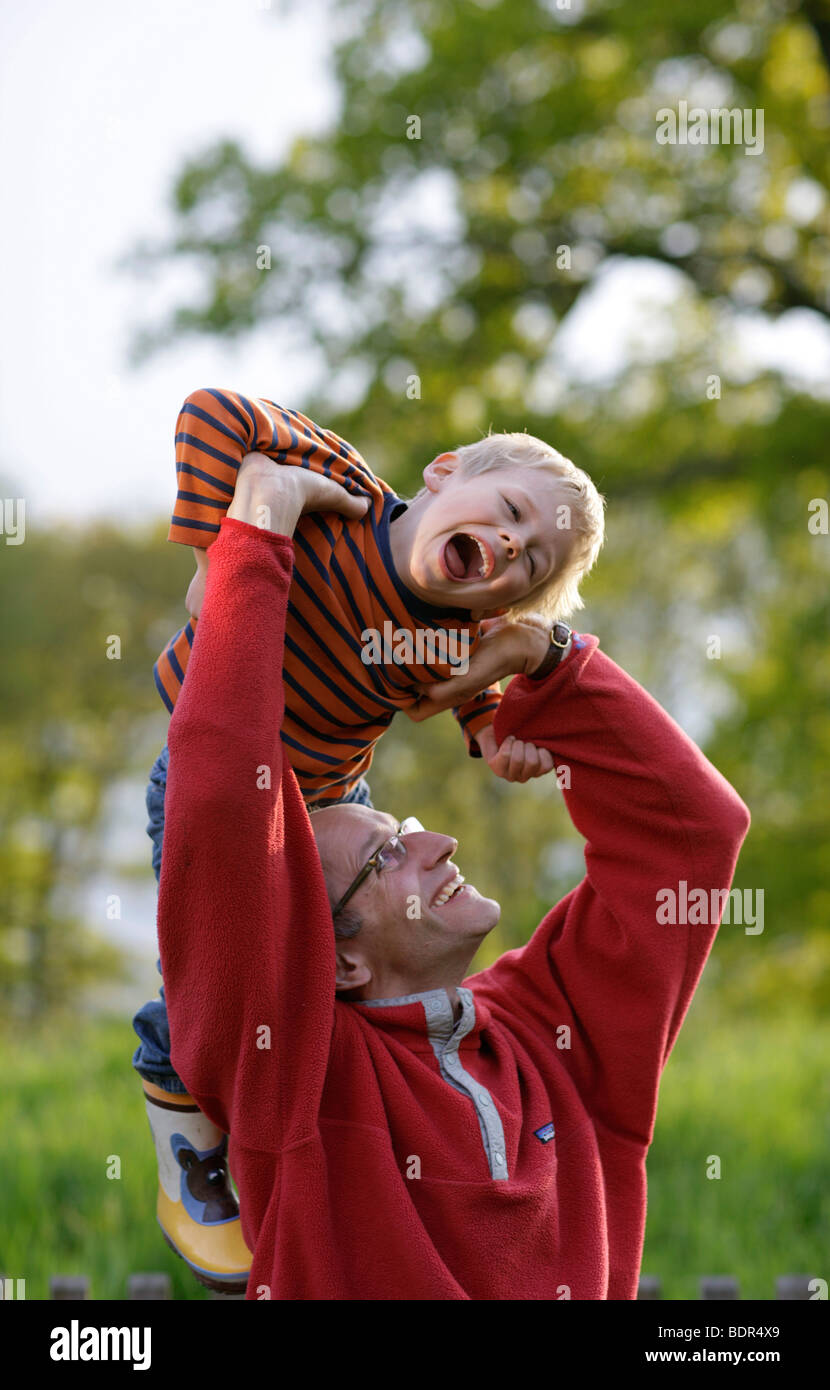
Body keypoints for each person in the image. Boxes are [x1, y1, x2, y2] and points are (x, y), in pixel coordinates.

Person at [154, 458, 750, 1300]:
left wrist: (547, 661)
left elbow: (693, 836)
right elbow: (222, 801)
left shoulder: (561, 1038)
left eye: (400, 831)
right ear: (340, 961)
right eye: (386, 855)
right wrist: (257, 536)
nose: (435, 838)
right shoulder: (295, 1074)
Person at [134, 387, 606, 1289]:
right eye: (508, 512)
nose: (509, 546)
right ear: (442, 475)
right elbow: (211, 411)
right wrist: (224, 533)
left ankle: (321, 1178)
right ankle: (182, 1129)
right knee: (206, 969)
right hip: (218, 783)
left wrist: (496, 740)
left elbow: (475, 691)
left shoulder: (456, 630)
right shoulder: (345, 493)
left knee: (318, 992)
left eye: (530, 561)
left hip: (331, 796)